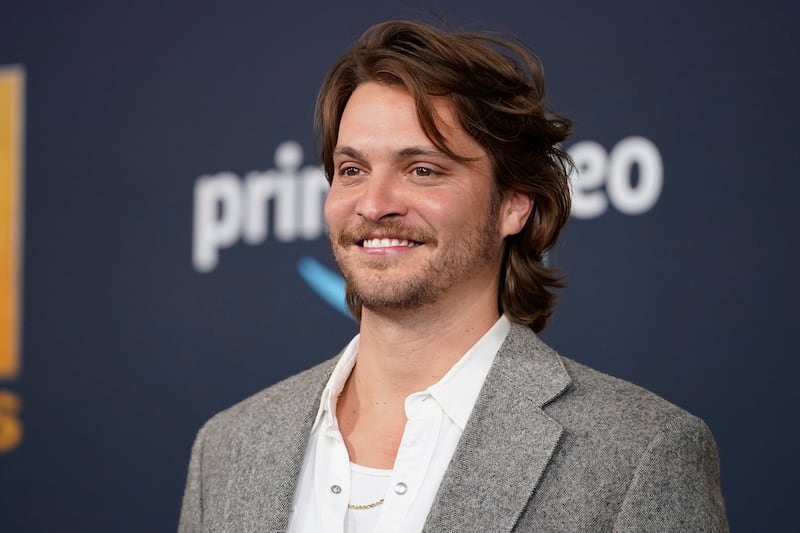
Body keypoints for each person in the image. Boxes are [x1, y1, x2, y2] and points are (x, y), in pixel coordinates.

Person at [179, 20, 728, 532]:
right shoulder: (229, 447)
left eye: (422, 169)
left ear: (515, 204)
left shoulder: (638, 452)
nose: (374, 203)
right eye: (352, 170)